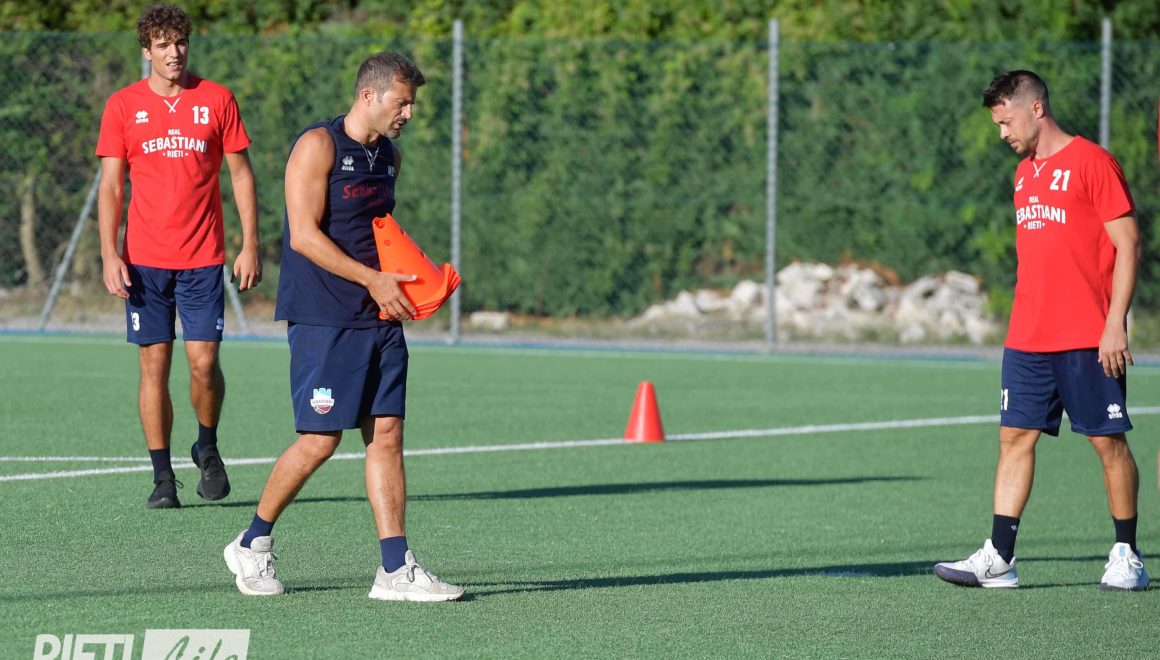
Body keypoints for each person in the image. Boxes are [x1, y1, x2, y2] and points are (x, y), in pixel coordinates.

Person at [222, 52, 464, 601]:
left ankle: (395, 568)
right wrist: (372, 279)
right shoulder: (318, 146)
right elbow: (303, 236)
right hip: (323, 314)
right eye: (402, 102)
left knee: (387, 433)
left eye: (411, 104)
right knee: (319, 440)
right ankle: (252, 541)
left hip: (379, 313)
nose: (408, 113)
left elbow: (377, 231)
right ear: (368, 96)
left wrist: (414, 280)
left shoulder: (390, 157)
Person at [934, 70, 1147, 591]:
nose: (1001, 133)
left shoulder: (1093, 162)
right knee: (1014, 437)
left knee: (1107, 442)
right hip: (1027, 335)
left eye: (1006, 121)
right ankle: (999, 558)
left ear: (1036, 109)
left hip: (1087, 335)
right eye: (997, 124)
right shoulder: (1023, 174)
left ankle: (1127, 554)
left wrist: (1114, 323)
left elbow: (1129, 244)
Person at [96, 3, 262, 509]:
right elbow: (111, 186)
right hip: (144, 262)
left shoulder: (217, 99)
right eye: (163, 45)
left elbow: (240, 174)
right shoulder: (123, 106)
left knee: (204, 363)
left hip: (203, 257)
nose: (174, 53)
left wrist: (250, 243)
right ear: (147, 51)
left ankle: (206, 445)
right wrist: (108, 254)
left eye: (181, 42)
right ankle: (163, 477)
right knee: (154, 367)